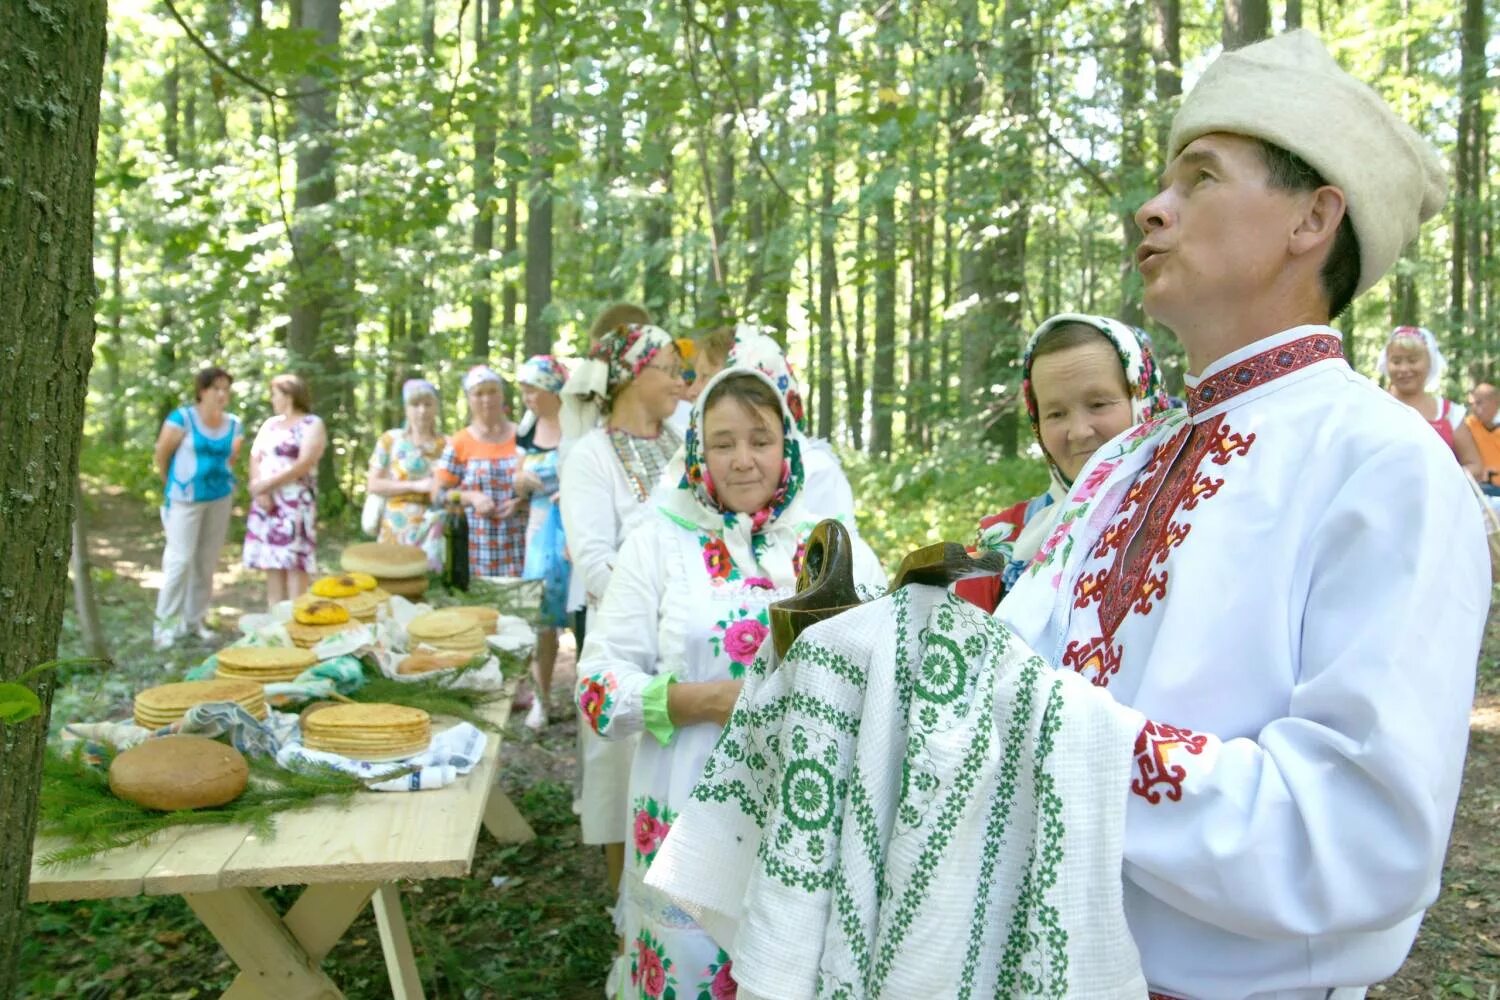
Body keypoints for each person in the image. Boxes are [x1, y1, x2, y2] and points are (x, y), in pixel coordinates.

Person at [995, 30, 1488, 998]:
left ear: (1313, 218)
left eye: (1201, 178)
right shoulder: (1127, 460)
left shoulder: (1387, 467)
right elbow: (1011, 672)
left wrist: (1057, 738)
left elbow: (1354, 832)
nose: (1153, 207)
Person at [575, 366, 885, 998]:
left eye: (761, 439)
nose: (744, 461)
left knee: (789, 962)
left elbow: (883, 659)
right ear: (697, 450)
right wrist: (703, 700)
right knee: (690, 967)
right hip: (685, 795)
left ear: (788, 446)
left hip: (804, 801)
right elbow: (597, 688)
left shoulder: (831, 540)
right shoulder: (657, 541)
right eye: (722, 443)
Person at [559, 323, 685, 896]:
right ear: (634, 372)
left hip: (689, 640)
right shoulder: (591, 456)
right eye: (669, 366)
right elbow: (592, 561)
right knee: (623, 783)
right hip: (627, 642)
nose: (680, 381)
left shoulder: (686, 440)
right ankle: (625, 918)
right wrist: (658, 599)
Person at [955, 314, 1171, 613]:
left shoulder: (1190, 520)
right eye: (1055, 414)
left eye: (1098, 404)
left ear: (1143, 400)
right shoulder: (1001, 542)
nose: (1079, 432)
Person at [152, 366, 243, 648]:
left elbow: (231, 458)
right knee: (179, 561)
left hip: (219, 498)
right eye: (216, 388)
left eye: (226, 389)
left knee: (206, 562)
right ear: (202, 391)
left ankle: (194, 622)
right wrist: (173, 485)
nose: (222, 394)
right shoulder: (183, 418)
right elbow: (162, 454)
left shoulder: (233, 424)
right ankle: (164, 627)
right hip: (185, 499)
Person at [515, 355, 571, 732]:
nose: (527, 397)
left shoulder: (577, 425)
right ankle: (542, 697)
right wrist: (523, 483)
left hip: (573, 525)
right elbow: (516, 475)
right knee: (540, 617)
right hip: (538, 530)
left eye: (532, 389)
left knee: (581, 611)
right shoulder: (526, 429)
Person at [432, 365, 528, 578]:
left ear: (502, 394)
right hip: (475, 549)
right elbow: (438, 495)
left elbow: (543, 487)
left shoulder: (523, 436)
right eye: (479, 394)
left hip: (521, 544)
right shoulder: (460, 442)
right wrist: (470, 497)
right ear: (469, 399)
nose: (487, 399)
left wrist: (521, 503)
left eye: (493, 391)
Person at [244, 373, 325, 606]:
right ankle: (274, 625)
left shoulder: (312, 424)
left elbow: (304, 463)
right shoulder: (270, 424)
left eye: (275, 394)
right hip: (267, 503)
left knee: (294, 564)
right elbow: (255, 456)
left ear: (289, 395)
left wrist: (267, 484)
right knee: (272, 562)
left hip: (295, 503)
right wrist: (260, 491)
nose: (272, 399)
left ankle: (296, 626)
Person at [1378, 325, 1482, 476]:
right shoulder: (1374, 406)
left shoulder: (1449, 413)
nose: (1404, 368)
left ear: (1430, 362)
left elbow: (1475, 466)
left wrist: (1445, 480)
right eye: (1396, 361)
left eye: (1413, 360)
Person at [366, 378, 447, 568]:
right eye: (415, 404)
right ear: (406, 408)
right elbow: (374, 484)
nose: (422, 411)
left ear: (436, 407)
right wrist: (414, 486)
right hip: (395, 525)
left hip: (433, 526)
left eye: (428, 404)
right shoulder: (390, 440)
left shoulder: (446, 445)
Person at [1466, 382, 1500, 496]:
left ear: (1495, 402)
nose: (1474, 408)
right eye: (1472, 404)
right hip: (1479, 489)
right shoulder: (1469, 425)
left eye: (1479, 403)